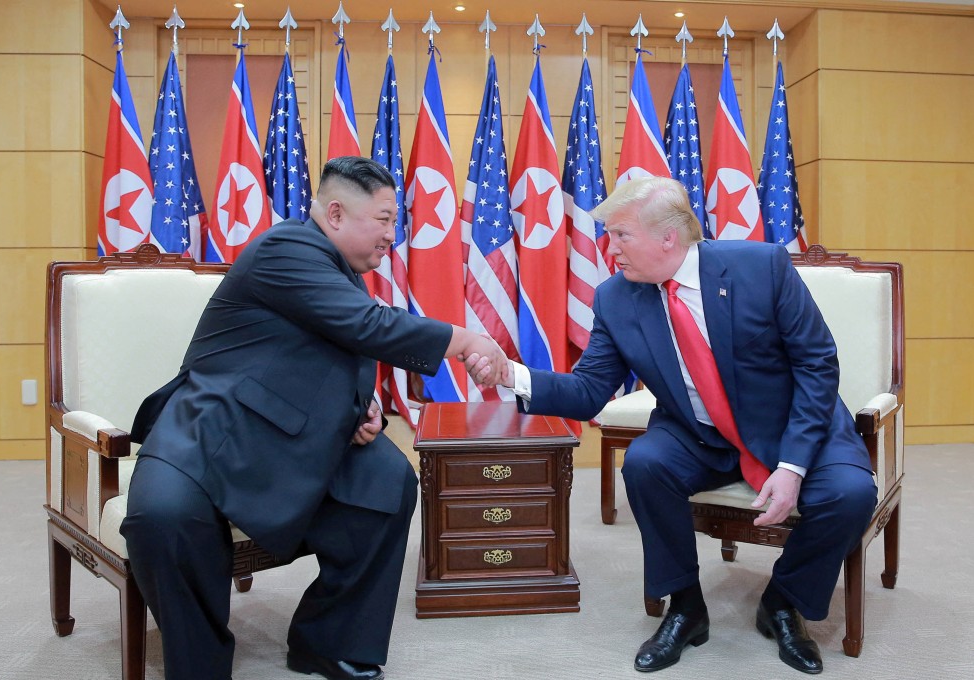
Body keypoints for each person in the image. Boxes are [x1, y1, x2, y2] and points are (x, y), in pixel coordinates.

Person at [467, 176, 877, 675]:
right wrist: (512, 374)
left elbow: (817, 363)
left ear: (668, 237)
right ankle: (686, 606)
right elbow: (590, 390)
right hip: (698, 434)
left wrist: (792, 465)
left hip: (791, 426)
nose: (609, 247)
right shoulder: (616, 298)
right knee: (645, 463)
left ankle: (783, 601)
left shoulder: (761, 267)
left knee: (851, 493)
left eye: (621, 235)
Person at [121, 156, 505, 680]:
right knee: (161, 518)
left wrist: (361, 409)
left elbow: (323, 355)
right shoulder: (288, 247)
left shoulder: (339, 269)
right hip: (215, 427)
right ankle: (199, 665)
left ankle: (327, 641)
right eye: (386, 218)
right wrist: (467, 341)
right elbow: (366, 326)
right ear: (337, 213)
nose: (394, 233)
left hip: (295, 429)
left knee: (388, 484)